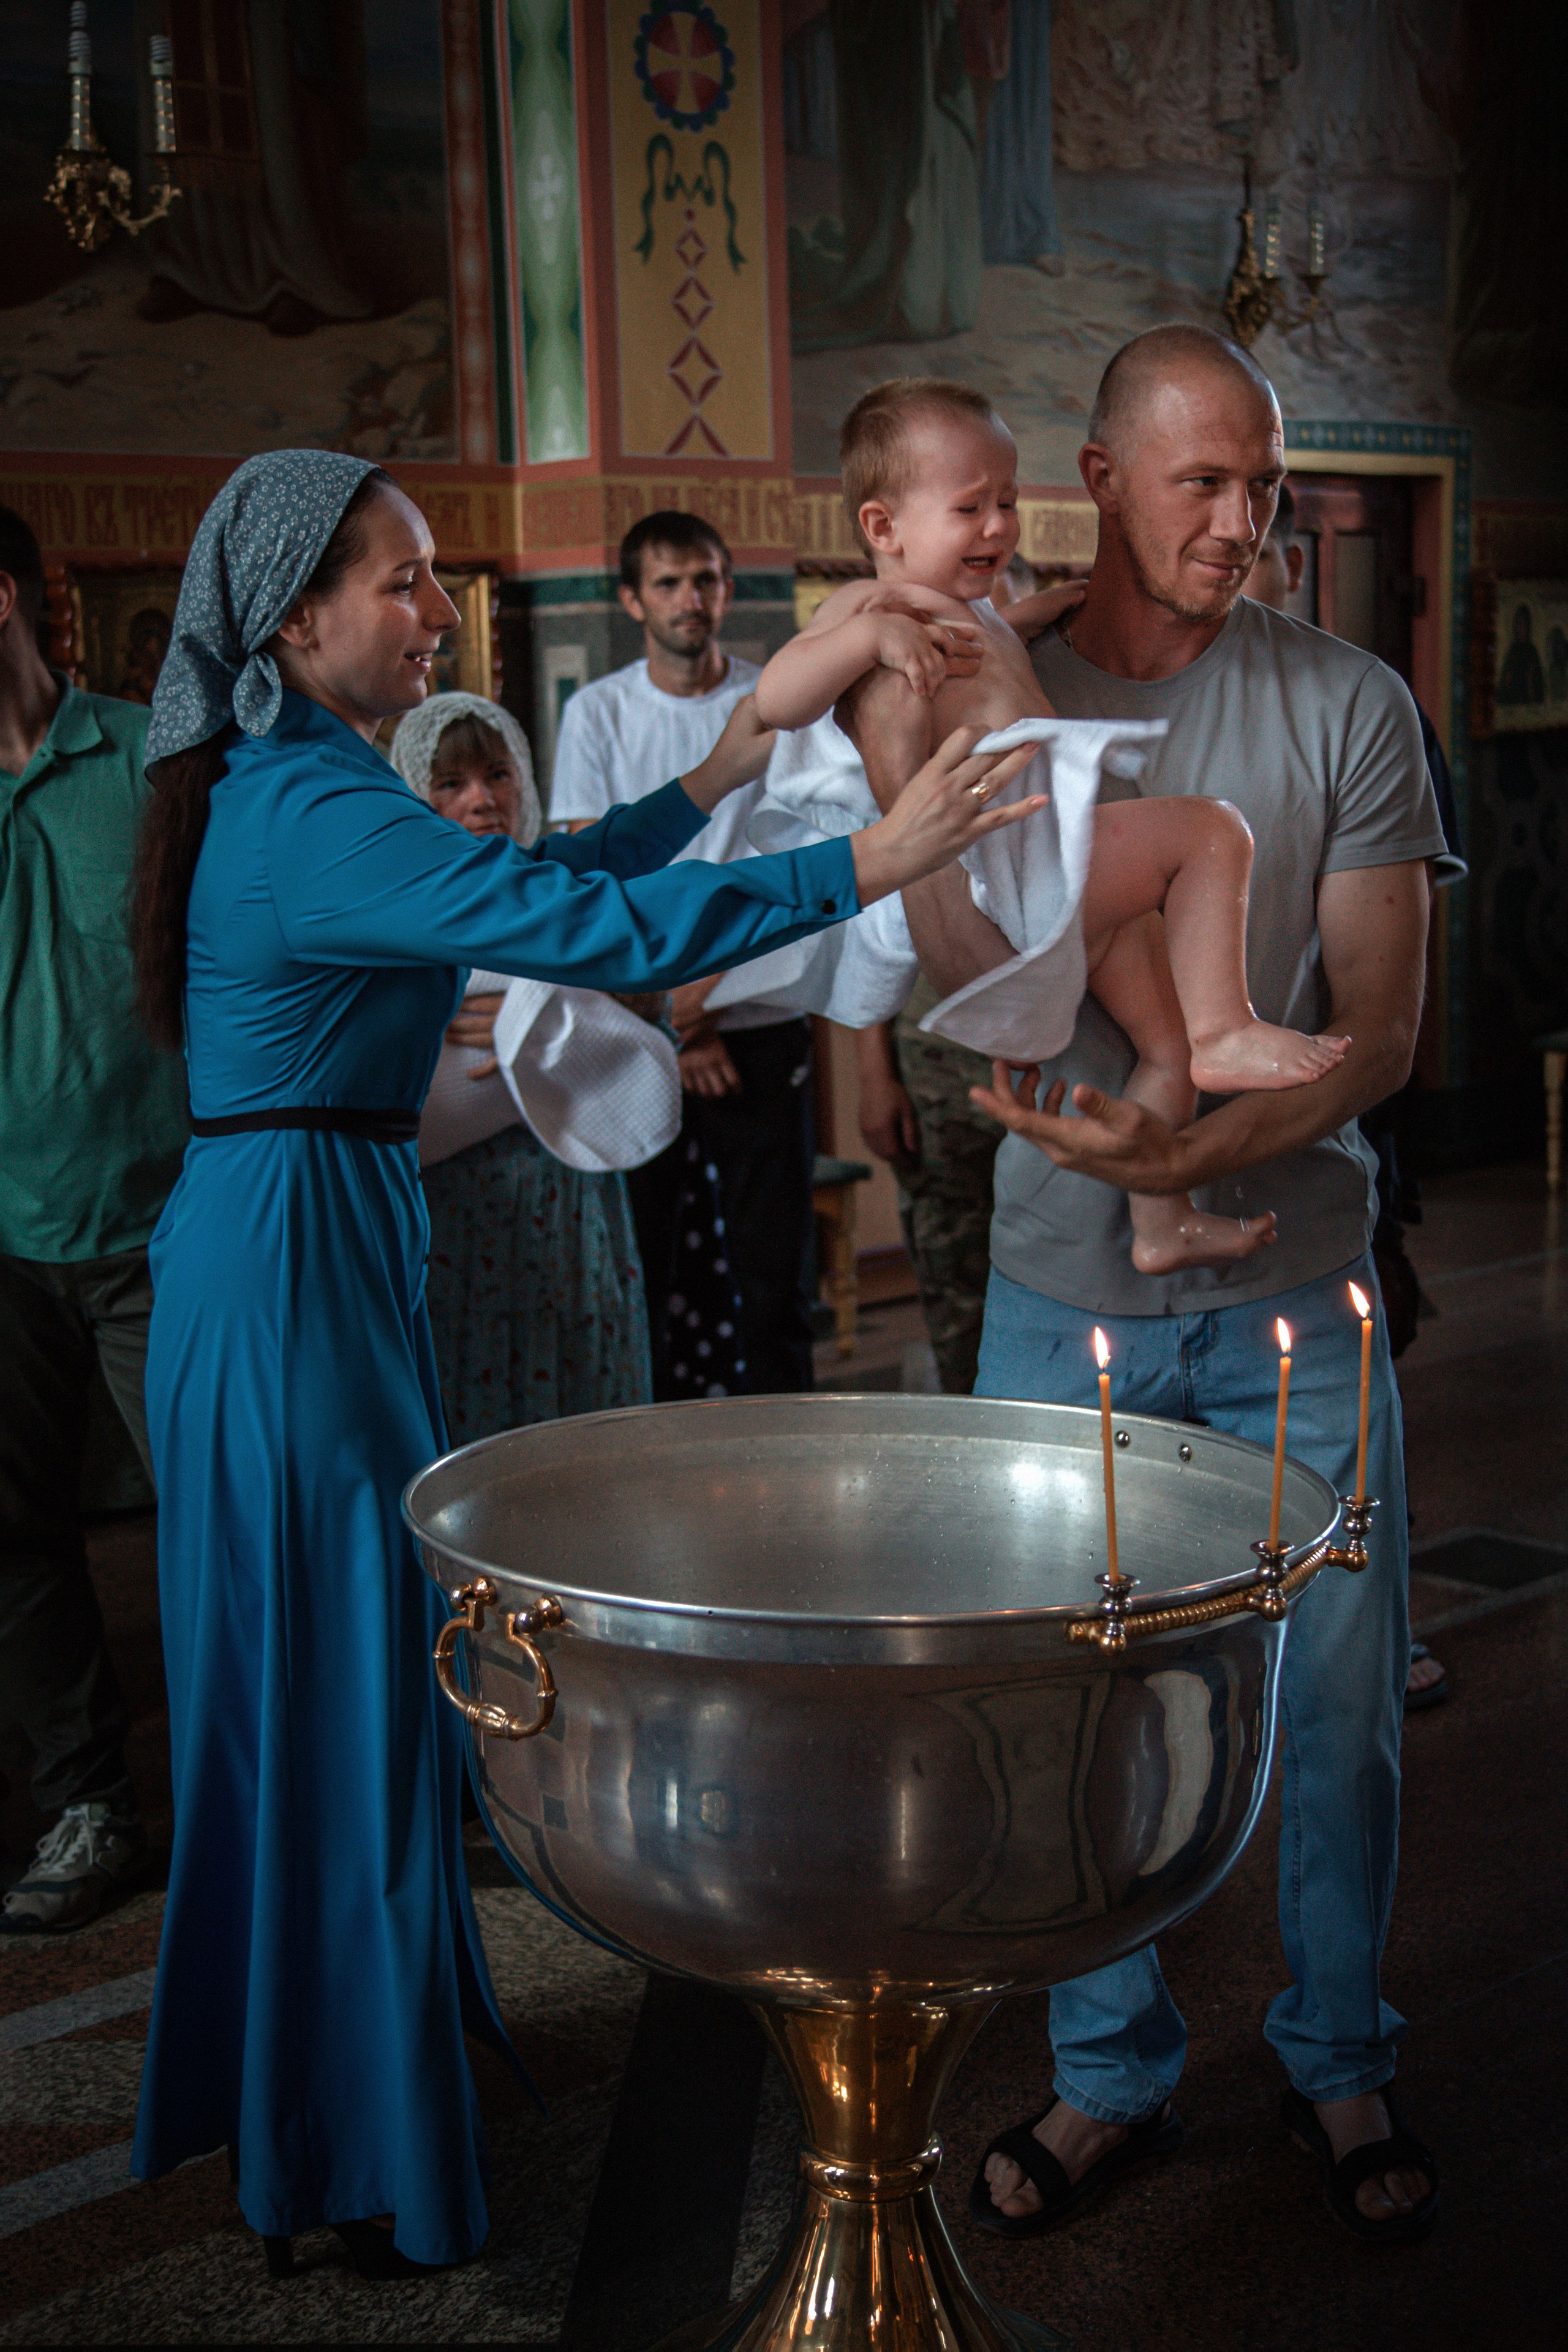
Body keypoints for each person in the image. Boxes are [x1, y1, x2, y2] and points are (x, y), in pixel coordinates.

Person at [125, 448, 1042, 2279]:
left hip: (321, 1230)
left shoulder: (315, 781)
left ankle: (355, 2079)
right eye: (398, 581)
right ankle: (336, 2146)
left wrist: (714, 767)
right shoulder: (304, 807)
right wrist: (868, 854)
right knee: (339, 1690)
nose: (437, 607)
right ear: (293, 619)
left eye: (435, 575)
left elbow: (551, 867)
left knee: (360, 1682)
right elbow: (593, 933)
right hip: (290, 1259)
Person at [845, 323, 1444, 2242]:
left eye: (1264, 483)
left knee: (1338, 1700)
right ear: (1095, 476)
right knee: (1068, 1716)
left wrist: (1174, 1159)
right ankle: (1108, 2071)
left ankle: (1339, 2047)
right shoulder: (981, 674)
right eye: (1204, 482)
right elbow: (950, 950)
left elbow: (1382, 1030)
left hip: (1303, 1289)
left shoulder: (1346, 700)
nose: (1245, 520)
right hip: (1059, 1297)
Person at [755, 375, 1350, 1279]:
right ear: (883, 529)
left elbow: (990, 661)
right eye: (970, 508)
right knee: (1212, 832)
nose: (998, 526)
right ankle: (1232, 1025)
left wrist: (1033, 614)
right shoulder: (876, 612)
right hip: (1014, 866)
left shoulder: (972, 613)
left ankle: (1161, 1221)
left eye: (1007, 501)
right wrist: (864, 646)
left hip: (1049, 883)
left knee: (1166, 1049)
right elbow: (776, 697)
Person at [0, 504, 189, 1934]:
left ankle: (254, 1795)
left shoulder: (144, 761)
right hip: (3, 1247)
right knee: (16, 1538)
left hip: (161, 1226)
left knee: (215, 1524)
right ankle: (86, 1801)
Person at [1243, 488, 1462, 1716]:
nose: (1241, 543)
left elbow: (1386, 989)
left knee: (1353, 1400)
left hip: (1332, 1120)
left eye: (1261, 512)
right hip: (1174, 1160)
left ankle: (1387, 1613)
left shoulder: (1358, 702)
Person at [551, 511, 820, 1397]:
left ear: (727, 588)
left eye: (705, 579)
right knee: (648, 1261)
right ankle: (657, 1448)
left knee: (773, 1265)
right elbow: (596, 867)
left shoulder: (774, 706)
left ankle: (792, 1447)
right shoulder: (599, 712)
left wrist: (711, 1001)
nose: (689, 600)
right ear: (632, 600)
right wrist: (675, 1016)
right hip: (638, 1023)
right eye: (667, 583)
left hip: (759, 1011)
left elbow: (791, 859)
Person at [389, 692, 673, 1434]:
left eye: (497, 775)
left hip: (570, 1196)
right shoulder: (399, 914)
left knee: (583, 1407)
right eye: (450, 784)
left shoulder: (573, 898)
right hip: (455, 1210)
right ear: (412, 795)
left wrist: (588, 1007)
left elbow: (648, 1018)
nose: (482, 800)